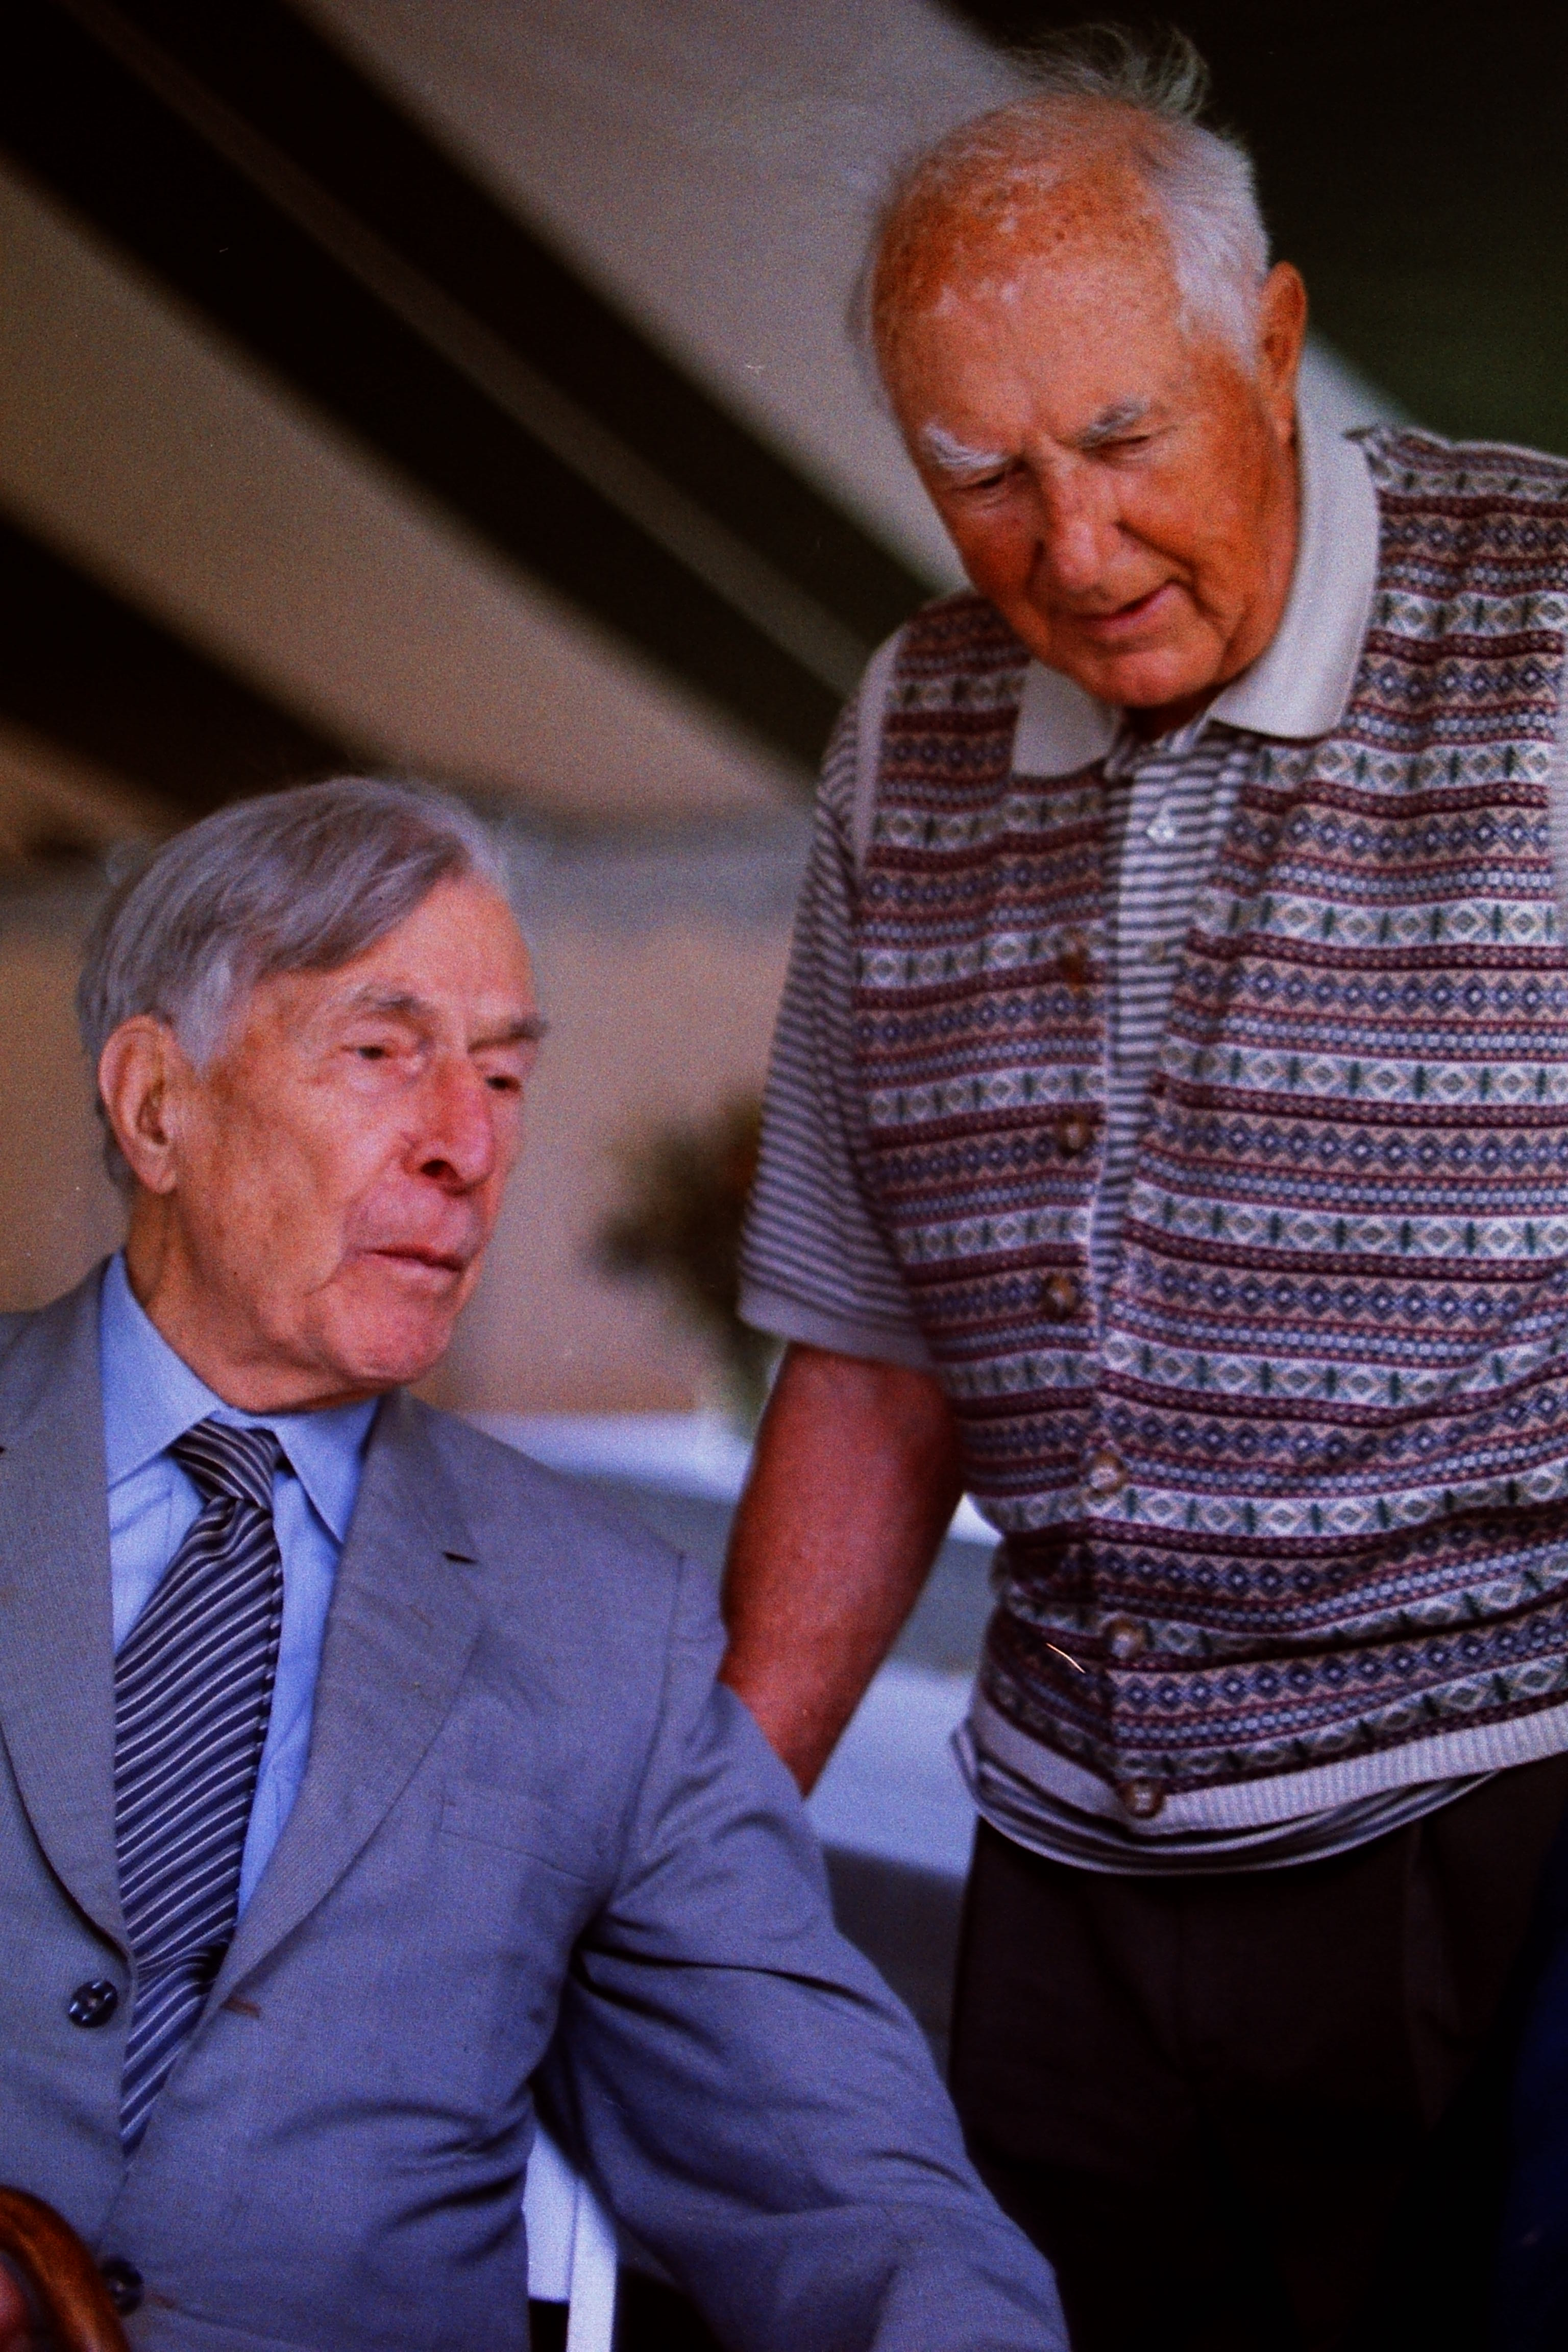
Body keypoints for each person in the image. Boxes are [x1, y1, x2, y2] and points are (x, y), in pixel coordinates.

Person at [724, 25, 1568, 2351]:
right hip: (1069, 1870)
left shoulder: (1547, 626)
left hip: (1499, 1835)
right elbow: (871, 1363)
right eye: (982, 477)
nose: (1072, 552)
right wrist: (701, 1845)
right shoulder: (907, 728)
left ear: (1273, 344)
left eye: (1122, 441)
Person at [0, 776, 1065, 2352]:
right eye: (383, 1053)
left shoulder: (609, 1629)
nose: (468, 1144)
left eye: (502, 1075)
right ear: (158, 1105)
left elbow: (844, 2185)